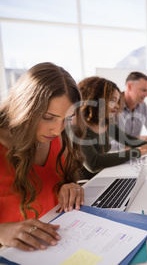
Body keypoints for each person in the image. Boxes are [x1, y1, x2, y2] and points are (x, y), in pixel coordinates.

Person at [0, 62, 86, 251]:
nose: (57, 130)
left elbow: (54, 183)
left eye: (66, 120)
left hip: (60, 243)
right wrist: (2, 231)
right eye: (48, 117)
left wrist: (68, 186)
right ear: (24, 107)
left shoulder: (57, 138)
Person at [78, 76, 147, 180]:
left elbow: (129, 140)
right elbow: (94, 163)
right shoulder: (78, 127)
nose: (117, 106)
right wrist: (138, 151)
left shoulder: (106, 124)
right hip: (84, 185)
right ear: (97, 99)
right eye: (113, 100)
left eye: (118, 101)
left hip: (103, 178)